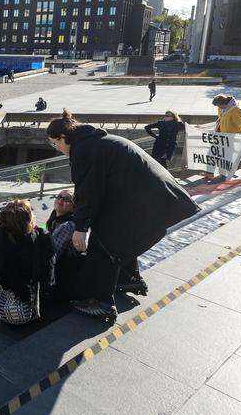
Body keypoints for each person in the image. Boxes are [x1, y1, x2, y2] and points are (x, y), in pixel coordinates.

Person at [47, 109, 199, 318]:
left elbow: (87, 191)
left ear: (63, 137)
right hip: (156, 196)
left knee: (103, 243)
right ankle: (129, 278)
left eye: (55, 143)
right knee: (119, 237)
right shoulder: (95, 141)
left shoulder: (84, 150)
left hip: (148, 199)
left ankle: (100, 301)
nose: (56, 147)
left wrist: (80, 228)